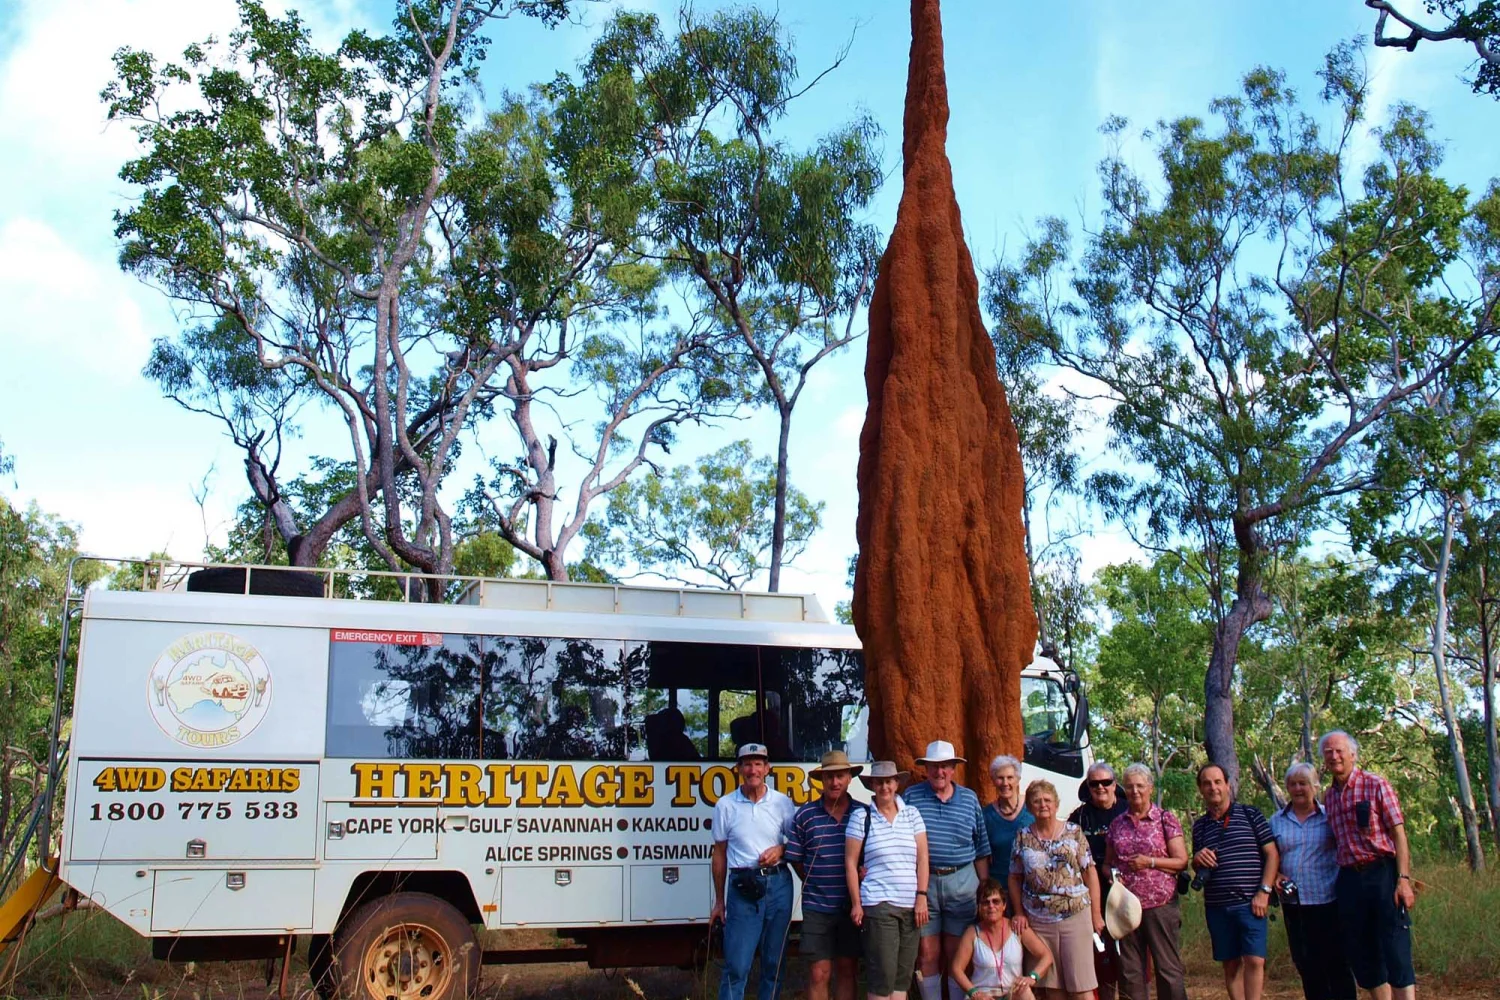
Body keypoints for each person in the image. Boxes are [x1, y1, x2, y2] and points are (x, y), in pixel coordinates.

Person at [1321, 731, 1417, 1000]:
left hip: (1382, 872)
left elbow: (1399, 834)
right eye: (1328, 752)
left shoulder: (1375, 785)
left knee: (1395, 947)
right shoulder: (1329, 797)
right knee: (1363, 953)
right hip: (1350, 879)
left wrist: (1404, 879)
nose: (1334, 756)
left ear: (1353, 754)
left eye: (1339, 751)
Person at [905, 740, 992, 1000]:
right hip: (925, 883)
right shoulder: (911, 797)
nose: (939, 772)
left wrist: (984, 888)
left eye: (945, 766)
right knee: (927, 953)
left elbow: (981, 848)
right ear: (926, 769)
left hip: (963, 882)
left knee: (957, 953)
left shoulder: (969, 798)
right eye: (934, 767)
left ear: (954, 769)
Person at [711, 742, 797, 1000]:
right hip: (743, 887)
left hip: (779, 885)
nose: (753, 769)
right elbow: (719, 854)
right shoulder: (725, 805)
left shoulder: (782, 803)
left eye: (758, 763)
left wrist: (781, 851)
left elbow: (795, 842)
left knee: (774, 964)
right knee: (737, 966)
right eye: (747, 764)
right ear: (738, 769)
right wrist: (719, 901)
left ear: (767, 768)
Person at [1190, 763, 1280, 1000]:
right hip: (1218, 906)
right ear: (1201, 789)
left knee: (1254, 959)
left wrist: (1264, 891)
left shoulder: (1251, 815)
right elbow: (1198, 864)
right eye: (1207, 783)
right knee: (1230, 964)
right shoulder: (1199, 827)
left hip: (1251, 902)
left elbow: (1272, 854)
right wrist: (1197, 859)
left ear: (1228, 785)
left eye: (1218, 782)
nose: (1213, 787)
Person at [1009, 779, 1104, 1000]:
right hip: (1039, 920)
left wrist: (1096, 914)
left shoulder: (1074, 832)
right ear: (1030, 807)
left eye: (1047, 800)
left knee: (1081, 985)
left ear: (1056, 804)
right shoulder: (1023, 836)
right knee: (1053, 989)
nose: (1043, 804)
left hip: (1075, 915)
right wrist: (1019, 912)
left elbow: (1090, 873)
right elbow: (1014, 877)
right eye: (1037, 801)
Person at [1270, 761, 1356, 1000]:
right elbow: (1269, 857)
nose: (1298, 789)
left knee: (1338, 964)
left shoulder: (1330, 816)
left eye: (1303, 783)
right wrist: (1275, 876)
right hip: (1295, 906)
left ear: (1315, 787)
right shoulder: (1276, 820)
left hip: (1329, 900)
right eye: (1293, 784)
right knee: (1307, 966)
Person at [846, 760, 930, 1000]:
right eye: (879, 782)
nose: (885, 787)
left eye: (889, 781)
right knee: (882, 979)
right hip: (879, 904)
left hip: (910, 907)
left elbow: (923, 858)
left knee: (902, 980)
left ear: (897, 784)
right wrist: (856, 903)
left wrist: (921, 897)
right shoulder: (861, 816)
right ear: (872, 785)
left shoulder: (912, 814)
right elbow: (851, 863)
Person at [1104, 763, 1188, 1000]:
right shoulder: (1117, 823)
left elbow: (1181, 861)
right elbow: (1107, 863)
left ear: (1150, 787)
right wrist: (1112, 876)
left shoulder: (1165, 819)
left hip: (1160, 904)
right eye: (1129, 786)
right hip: (1125, 906)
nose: (1135, 791)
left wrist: (1149, 862)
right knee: (1130, 971)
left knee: (1167, 968)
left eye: (1140, 786)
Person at [786, 751, 865, 1000]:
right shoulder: (805, 815)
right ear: (821, 779)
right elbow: (796, 858)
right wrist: (815, 880)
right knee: (819, 972)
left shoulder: (863, 814)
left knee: (847, 970)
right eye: (829, 777)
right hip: (816, 907)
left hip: (852, 907)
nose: (835, 782)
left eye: (840, 776)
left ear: (849, 778)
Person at [1068, 762, 1126, 1000]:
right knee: (1101, 958)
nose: (1100, 787)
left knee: (1130, 958)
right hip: (1092, 893)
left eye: (1106, 782)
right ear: (1088, 787)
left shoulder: (1128, 809)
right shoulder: (1079, 816)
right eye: (1094, 783)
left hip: (1126, 892)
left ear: (1114, 784)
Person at [950, 878, 1054, 1000]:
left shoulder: (1016, 928)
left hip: (1013, 991)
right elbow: (956, 969)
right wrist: (974, 993)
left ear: (1004, 905)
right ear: (979, 907)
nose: (991, 906)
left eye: (996, 901)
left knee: (1026, 994)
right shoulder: (972, 933)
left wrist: (1032, 977)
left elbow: (1046, 956)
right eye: (985, 902)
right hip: (983, 994)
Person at [982, 755, 1033, 893]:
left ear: (1018, 779)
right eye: (1000, 778)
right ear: (993, 781)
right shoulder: (986, 815)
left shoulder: (1033, 807)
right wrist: (986, 887)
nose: (1005, 783)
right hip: (1001, 888)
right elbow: (983, 857)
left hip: (1031, 887)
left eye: (1010, 777)